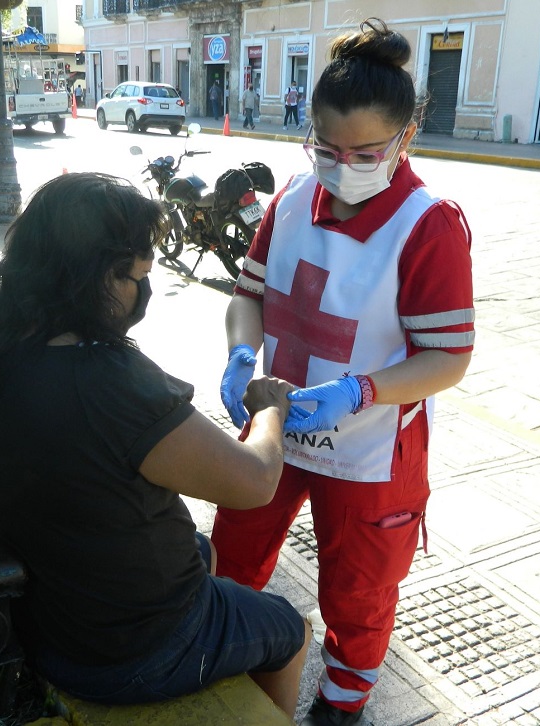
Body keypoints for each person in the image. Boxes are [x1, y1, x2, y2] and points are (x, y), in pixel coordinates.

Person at [0, 172, 311, 719]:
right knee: (289, 629)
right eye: (136, 276)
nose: (143, 291)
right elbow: (254, 482)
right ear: (97, 278)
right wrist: (270, 409)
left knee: (205, 555)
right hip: (129, 650)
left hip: (46, 612)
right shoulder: (113, 382)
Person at [214, 18, 474, 726]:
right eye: (326, 147)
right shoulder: (294, 198)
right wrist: (242, 354)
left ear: (406, 138)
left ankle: (341, 704)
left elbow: (448, 357)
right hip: (274, 422)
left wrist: (362, 390)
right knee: (233, 550)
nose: (342, 163)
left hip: (370, 448)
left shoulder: (429, 225)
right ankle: (218, 661)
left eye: (365, 151)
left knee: (360, 588)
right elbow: (251, 298)